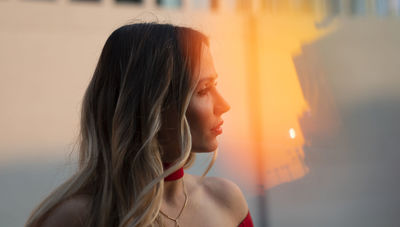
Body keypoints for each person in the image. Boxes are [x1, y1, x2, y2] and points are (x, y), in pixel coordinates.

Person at [25, 23, 254, 227]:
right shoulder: (75, 218)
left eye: (215, 85)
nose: (224, 105)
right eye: (203, 90)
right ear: (152, 104)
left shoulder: (227, 202)